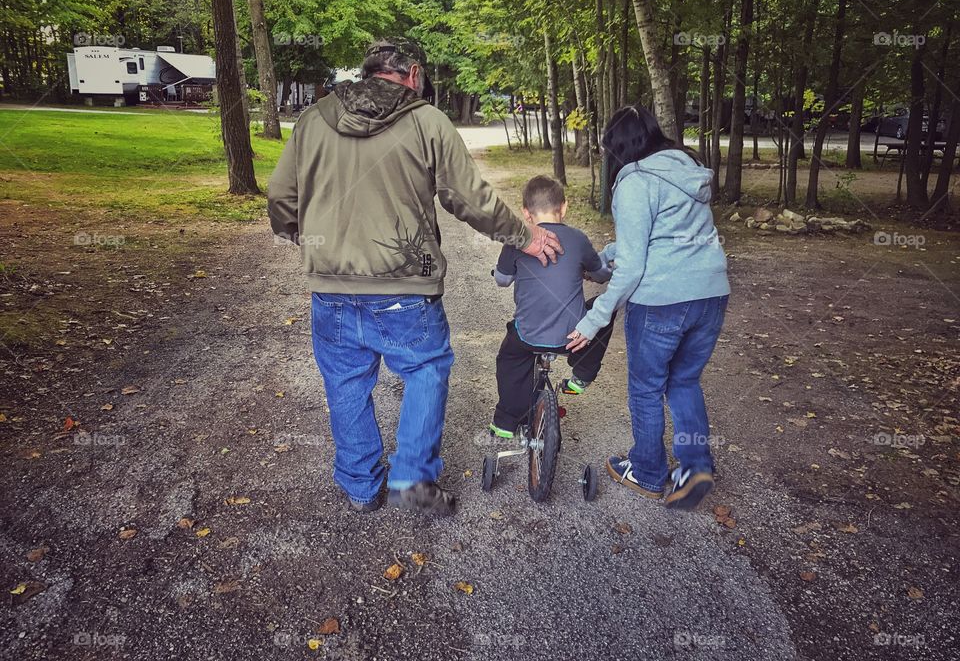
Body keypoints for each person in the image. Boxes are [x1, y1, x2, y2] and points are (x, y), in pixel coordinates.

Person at [267, 38, 562, 517]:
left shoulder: (313, 119)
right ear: (414, 73)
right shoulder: (428, 122)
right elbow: (468, 198)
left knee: (345, 383)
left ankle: (361, 486)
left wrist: (309, 240)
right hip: (406, 283)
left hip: (331, 286)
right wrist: (523, 236)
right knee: (425, 371)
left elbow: (281, 199)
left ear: (368, 71)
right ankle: (410, 481)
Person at [566, 105, 730, 511]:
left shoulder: (635, 180)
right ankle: (695, 468)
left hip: (661, 301)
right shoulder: (686, 169)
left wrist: (594, 319)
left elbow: (635, 266)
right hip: (710, 294)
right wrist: (605, 258)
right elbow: (661, 236)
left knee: (646, 387)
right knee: (685, 381)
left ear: (619, 148)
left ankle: (648, 471)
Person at [491, 175, 615, 438]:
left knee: (510, 358)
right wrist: (592, 270)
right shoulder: (578, 239)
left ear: (526, 213)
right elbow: (601, 274)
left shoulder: (516, 240)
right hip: (573, 338)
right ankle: (582, 374)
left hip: (528, 336)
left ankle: (506, 421)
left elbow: (502, 280)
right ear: (564, 207)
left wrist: (504, 271)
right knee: (604, 310)